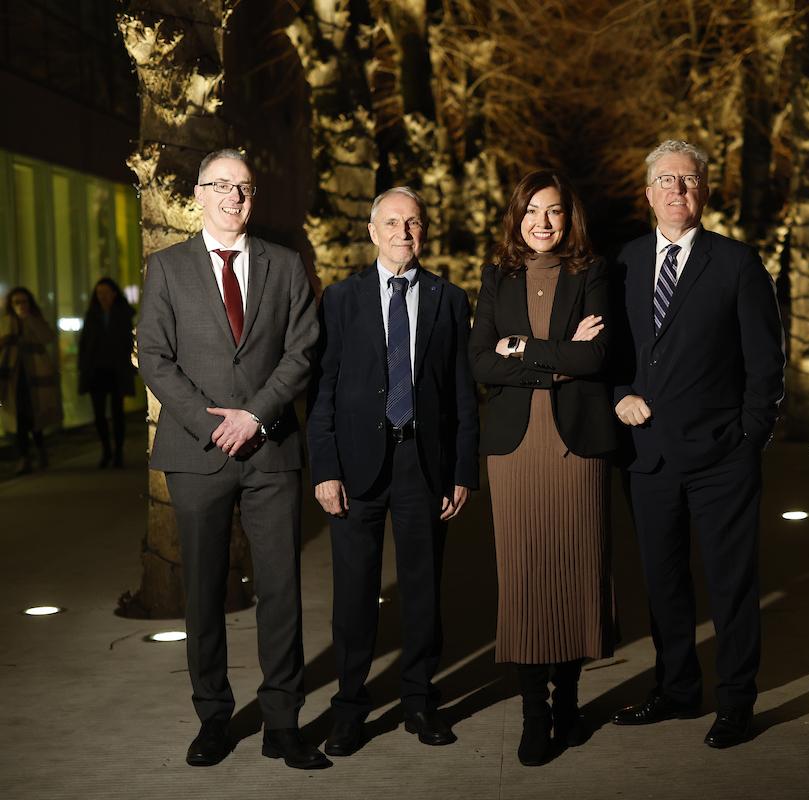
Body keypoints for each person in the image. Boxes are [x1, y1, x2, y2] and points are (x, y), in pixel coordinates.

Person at [138, 149, 324, 770]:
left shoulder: (287, 264)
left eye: (243, 187)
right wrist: (209, 423)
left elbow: (302, 350)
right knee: (204, 592)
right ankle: (213, 718)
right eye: (220, 186)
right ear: (198, 194)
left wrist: (256, 416)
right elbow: (155, 357)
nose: (233, 198)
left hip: (271, 450)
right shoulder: (167, 269)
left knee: (281, 590)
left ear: (253, 196)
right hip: (197, 453)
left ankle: (282, 722)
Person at [610, 140, 785, 748]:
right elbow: (608, 352)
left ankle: (736, 702)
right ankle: (677, 689)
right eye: (665, 180)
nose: (677, 190)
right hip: (648, 457)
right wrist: (616, 394)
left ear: (704, 191)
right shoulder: (625, 263)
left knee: (732, 585)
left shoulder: (737, 263)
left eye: (688, 180)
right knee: (663, 583)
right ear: (648, 192)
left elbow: (766, 362)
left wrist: (749, 437)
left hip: (721, 459)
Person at [308, 186, 478, 758]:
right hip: (356, 469)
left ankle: (419, 702)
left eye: (413, 223)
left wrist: (463, 470)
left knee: (423, 591)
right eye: (392, 222)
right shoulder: (340, 300)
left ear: (422, 232)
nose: (403, 232)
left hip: (423, 465)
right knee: (354, 593)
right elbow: (322, 391)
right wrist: (325, 469)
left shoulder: (449, 300)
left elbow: (461, 394)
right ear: (372, 230)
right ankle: (350, 709)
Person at [469, 170, 619, 766]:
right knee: (525, 577)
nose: (543, 222)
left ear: (570, 217)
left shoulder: (593, 273)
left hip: (576, 446)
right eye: (532, 210)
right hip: (515, 448)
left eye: (554, 211)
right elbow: (481, 362)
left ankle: (570, 702)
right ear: (516, 216)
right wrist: (557, 361)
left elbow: (599, 355)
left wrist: (524, 350)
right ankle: (534, 711)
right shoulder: (496, 275)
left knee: (577, 572)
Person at [0, 287, 62, 474]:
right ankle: (24, 457)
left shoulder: (35, 320)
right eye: (16, 302)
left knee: (35, 416)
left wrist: (29, 320)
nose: (20, 305)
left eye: (24, 301)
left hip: (34, 378)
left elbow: (48, 337)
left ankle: (41, 452)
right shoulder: (5, 323)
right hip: (12, 379)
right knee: (17, 418)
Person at [78, 277, 136, 467]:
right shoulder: (92, 314)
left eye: (106, 293)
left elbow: (129, 343)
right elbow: (85, 344)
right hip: (96, 371)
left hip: (116, 370)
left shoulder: (124, 314)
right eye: (99, 293)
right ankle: (106, 451)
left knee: (117, 413)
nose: (102, 297)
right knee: (99, 414)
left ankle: (118, 453)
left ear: (114, 294)